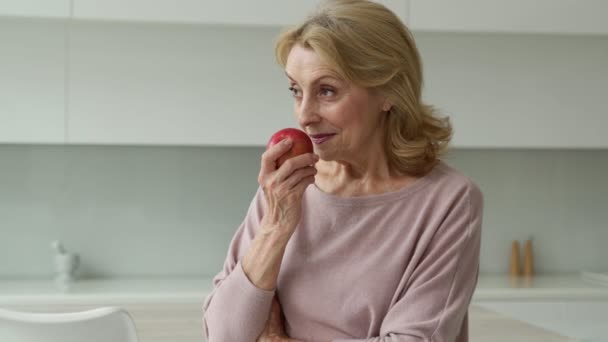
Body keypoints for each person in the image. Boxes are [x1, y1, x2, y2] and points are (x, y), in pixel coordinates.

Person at [203, 0, 483, 341]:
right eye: (295, 90)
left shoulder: (449, 201)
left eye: (327, 91)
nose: (304, 115)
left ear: (387, 91)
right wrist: (275, 228)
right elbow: (224, 335)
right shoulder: (288, 185)